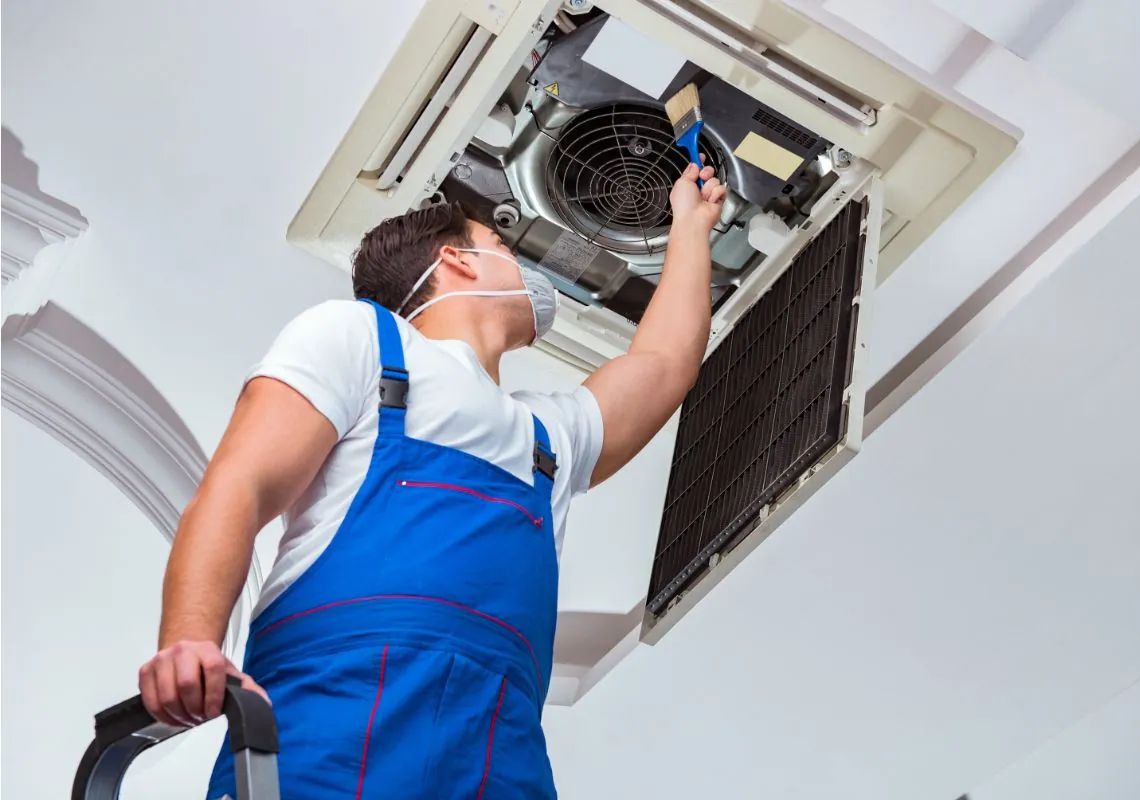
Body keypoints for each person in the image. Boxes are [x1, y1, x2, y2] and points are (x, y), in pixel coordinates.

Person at [138, 160, 726, 798]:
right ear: (458, 260)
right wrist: (189, 642)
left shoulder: (547, 436)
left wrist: (692, 226)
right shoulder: (362, 336)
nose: (527, 268)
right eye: (502, 244)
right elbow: (240, 484)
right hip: (336, 712)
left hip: (499, 744)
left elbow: (664, 365)